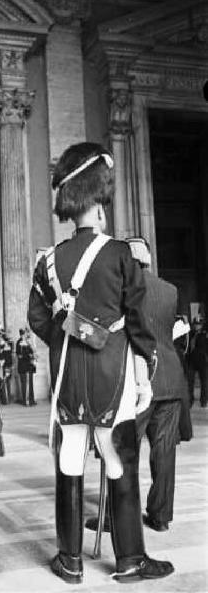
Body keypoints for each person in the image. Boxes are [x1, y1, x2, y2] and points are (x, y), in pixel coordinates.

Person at [28, 142, 174, 583]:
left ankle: (69, 561)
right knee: (119, 457)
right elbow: (138, 321)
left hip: (69, 374)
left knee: (70, 456)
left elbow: (37, 318)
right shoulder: (121, 254)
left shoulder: (48, 261)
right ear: (98, 197)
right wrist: (145, 369)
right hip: (115, 372)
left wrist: (68, 333)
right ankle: (130, 560)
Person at [127, 237, 190, 532]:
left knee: (125, 449)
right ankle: (160, 516)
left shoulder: (124, 290)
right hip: (170, 377)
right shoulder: (170, 290)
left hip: (139, 379)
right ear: (149, 258)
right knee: (164, 452)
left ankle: (122, 515)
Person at [187, 316, 208, 407]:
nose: (197, 326)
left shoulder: (205, 334)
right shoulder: (190, 334)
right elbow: (187, 347)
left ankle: (203, 401)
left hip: (203, 361)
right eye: (196, 324)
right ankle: (190, 400)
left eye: (199, 324)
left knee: (205, 382)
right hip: (192, 360)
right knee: (190, 382)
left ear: (202, 325)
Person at [16, 328, 37, 406]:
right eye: (26, 333)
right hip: (23, 367)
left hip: (29, 366)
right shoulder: (19, 343)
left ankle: (31, 400)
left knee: (30, 384)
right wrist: (29, 355)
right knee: (25, 384)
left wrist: (32, 354)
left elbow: (32, 352)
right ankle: (26, 401)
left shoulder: (28, 342)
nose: (27, 335)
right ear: (22, 334)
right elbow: (20, 355)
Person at [0, 329, 13, 405]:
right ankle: (4, 399)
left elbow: (8, 355)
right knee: (2, 382)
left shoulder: (6, 344)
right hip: (1, 365)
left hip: (4, 365)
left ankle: (6, 399)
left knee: (5, 381)